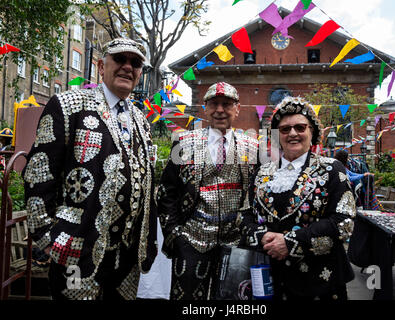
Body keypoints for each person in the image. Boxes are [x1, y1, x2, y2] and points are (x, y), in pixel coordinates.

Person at [23, 38, 158, 300]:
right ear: (100, 66)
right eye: (120, 59)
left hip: (125, 259)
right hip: (75, 252)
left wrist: (148, 241)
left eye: (136, 63)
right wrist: (47, 239)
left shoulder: (141, 119)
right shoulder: (68, 104)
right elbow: (38, 174)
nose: (128, 67)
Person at [237, 95, 356, 300]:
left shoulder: (332, 170)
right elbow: (243, 216)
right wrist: (262, 237)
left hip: (320, 282)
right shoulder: (262, 172)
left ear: (312, 132)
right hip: (271, 281)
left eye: (300, 128)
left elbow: (343, 222)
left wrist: (291, 242)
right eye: (285, 129)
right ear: (277, 135)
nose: (293, 133)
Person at [157, 82, 259, 300]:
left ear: (237, 109)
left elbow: (257, 195)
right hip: (191, 241)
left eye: (226, 104)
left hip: (236, 244)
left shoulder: (252, 147)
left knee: (234, 302)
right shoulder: (184, 142)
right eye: (214, 104)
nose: (220, 110)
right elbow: (167, 192)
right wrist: (175, 235)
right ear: (205, 108)